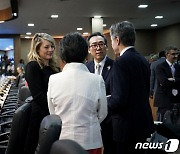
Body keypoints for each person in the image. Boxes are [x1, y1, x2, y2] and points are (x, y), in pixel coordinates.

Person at [47, 32, 107, 154]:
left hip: (63, 141)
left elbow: (53, 112)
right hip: (91, 140)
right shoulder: (97, 80)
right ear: (86, 54)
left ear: (62, 56)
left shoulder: (53, 79)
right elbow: (103, 113)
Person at [108, 21, 155, 154]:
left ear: (117, 40)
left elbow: (118, 101)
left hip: (126, 128)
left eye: (111, 40)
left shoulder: (120, 63)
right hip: (144, 122)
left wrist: (105, 102)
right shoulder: (142, 60)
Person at [24, 33, 59, 154]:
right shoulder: (32, 66)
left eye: (52, 46)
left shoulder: (53, 67)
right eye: (47, 47)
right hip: (40, 114)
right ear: (37, 48)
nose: (51, 50)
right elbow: (38, 96)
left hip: (53, 112)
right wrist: (54, 110)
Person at [86, 32, 114, 154]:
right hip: (90, 120)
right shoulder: (86, 68)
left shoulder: (115, 66)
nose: (98, 48)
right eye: (94, 45)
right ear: (89, 49)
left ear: (106, 47)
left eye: (101, 44)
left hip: (110, 119)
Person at [154, 46, 180, 121]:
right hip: (164, 99)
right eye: (173, 54)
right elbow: (163, 82)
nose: (176, 56)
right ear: (167, 54)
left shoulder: (178, 67)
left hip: (176, 99)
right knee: (162, 122)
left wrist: (173, 80)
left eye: (177, 54)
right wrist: (176, 81)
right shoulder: (160, 67)